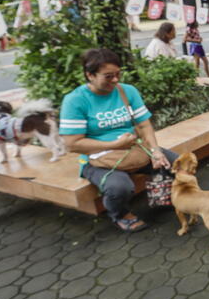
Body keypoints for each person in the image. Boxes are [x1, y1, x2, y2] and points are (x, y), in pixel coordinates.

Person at [60, 48, 178, 232]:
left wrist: (156, 151)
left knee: (175, 162)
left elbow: (145, 125)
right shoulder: (75, 101)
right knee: (119, 187)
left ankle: (161, 200)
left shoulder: (127, 91)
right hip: (97, 159)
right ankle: (120, 215)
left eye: (117, 74)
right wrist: (114, 145)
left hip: (134, 150)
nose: (115, 80)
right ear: (90, 75)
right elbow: (72, 144)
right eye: (108, 76)